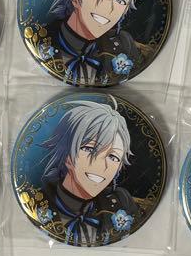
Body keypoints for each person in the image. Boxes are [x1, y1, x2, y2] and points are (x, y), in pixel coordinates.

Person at [38, 98, 139, 246]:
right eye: (89, 149)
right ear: (66, 154)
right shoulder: (37, 202)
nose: (101, 165)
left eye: (113, 157)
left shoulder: (121, 203)